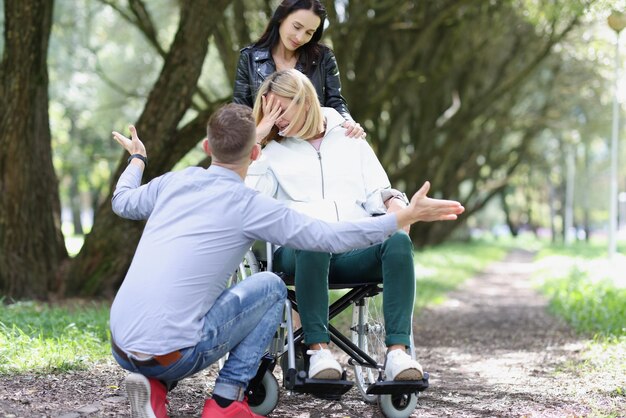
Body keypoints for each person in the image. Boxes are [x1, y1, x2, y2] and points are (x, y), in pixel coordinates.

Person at [109, 103, 464, 418]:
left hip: (122, 343)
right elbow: (328, 237)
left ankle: (154, 388)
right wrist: (402, 217)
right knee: (272, 286)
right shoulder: (250, 206)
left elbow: (122, 201)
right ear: (255, 155)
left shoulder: (172, 182)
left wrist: (138, 158)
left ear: (206, 147)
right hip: (178, 353)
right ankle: (224, 401)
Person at [247, 69, 456, 382]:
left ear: (304, 101)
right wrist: (257, 141)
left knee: (398, 243)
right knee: (313, 237)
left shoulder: (349, 137)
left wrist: (395, 203)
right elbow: (247, 203)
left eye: (281, 108)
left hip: (351, 250)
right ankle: (318, 352)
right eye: (269, 109)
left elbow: (377, 191)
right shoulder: (270, 153)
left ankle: (398, 355)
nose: (275, 118)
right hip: (299, 252)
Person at [233, 0, 365, 138]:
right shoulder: (249, 58)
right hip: (268, 146)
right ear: (281, 17)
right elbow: (241, 112)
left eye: (309, 32)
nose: (300, 37)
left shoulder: (323, 58)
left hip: (311, 143)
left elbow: (335, 101)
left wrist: (348, 122)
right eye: (297, 26)